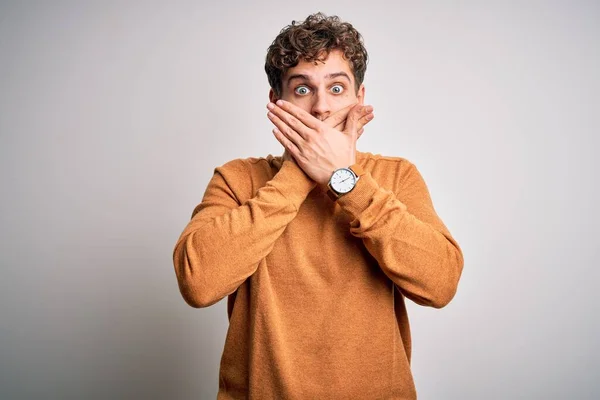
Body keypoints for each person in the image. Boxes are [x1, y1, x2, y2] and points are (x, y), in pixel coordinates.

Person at [173, 12, 464, 399]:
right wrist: (300, 173)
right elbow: (198, 283)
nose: (321, 108)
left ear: (360, 99)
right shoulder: (237, 179)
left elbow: (440, 283)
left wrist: (345, 180)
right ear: (277, 102)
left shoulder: (396, 176)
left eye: (337, 88)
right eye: (303, 89)